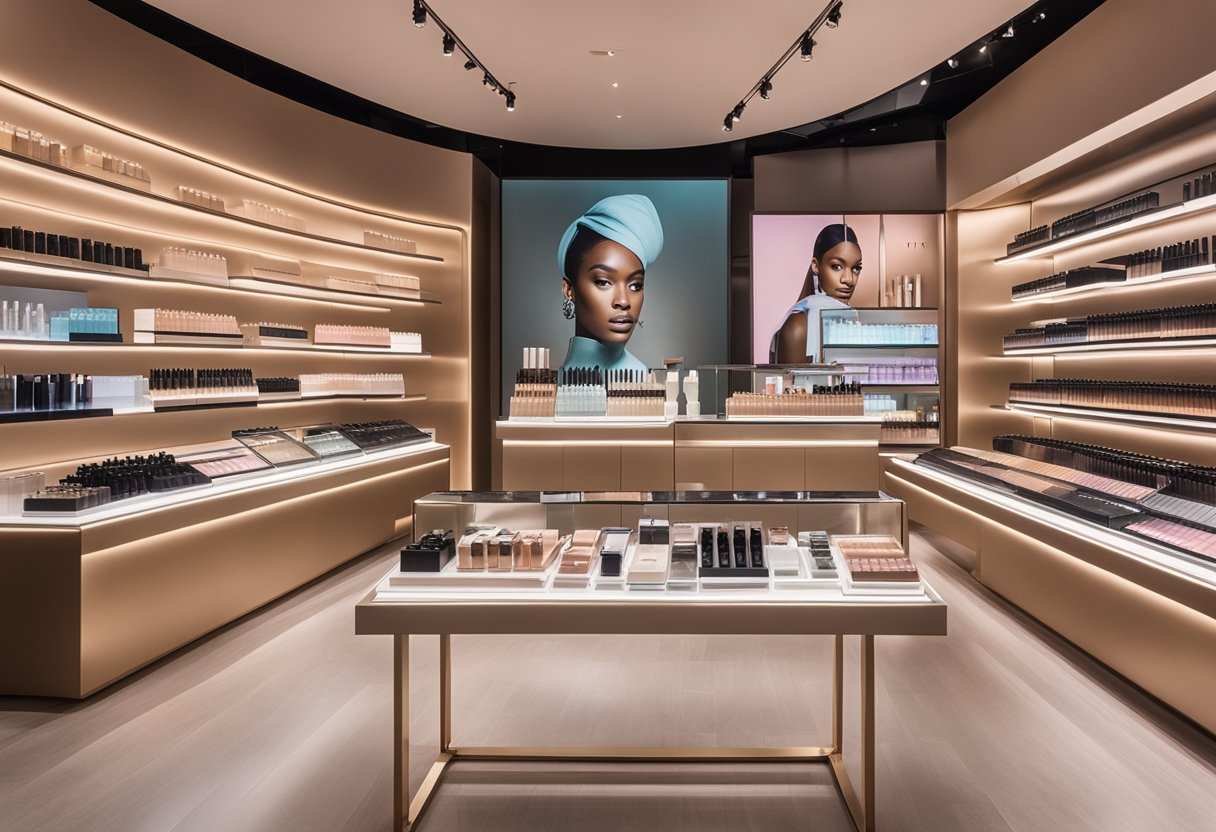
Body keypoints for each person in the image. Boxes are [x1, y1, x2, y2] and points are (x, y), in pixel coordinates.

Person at [557, 194, 664, 373]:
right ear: (569, 290)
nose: (623, 301)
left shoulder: (641, 379)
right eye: (603, 282)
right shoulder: (553, 381)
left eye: (635, 285)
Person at [769, 223, 862, 363]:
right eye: (836, 267)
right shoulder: (799, 326)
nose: (848, 279)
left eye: (855, 268)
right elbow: (790, 384)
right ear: (815, 266)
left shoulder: (851, 321)